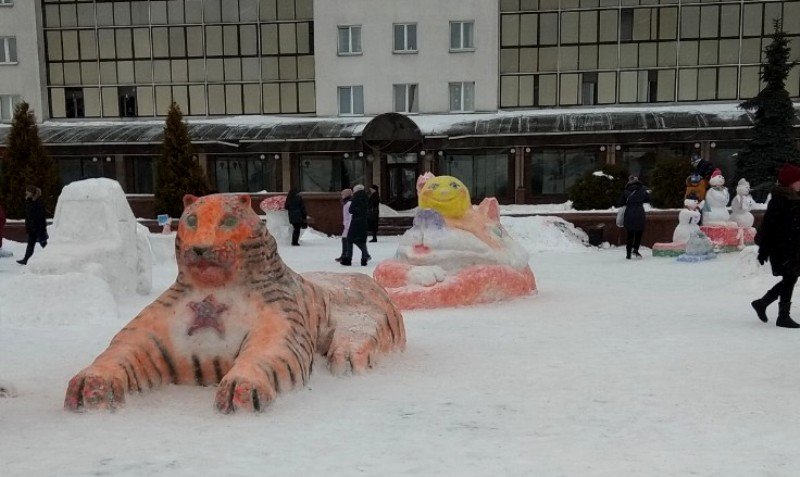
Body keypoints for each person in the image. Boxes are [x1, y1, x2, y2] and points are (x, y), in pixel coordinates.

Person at [751, 163, 800, 328]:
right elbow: (768, 227)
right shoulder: (779, 200)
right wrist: (763, 250)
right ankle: (782, 316)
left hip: (793, 247)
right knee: (790, 277)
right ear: (789, 183)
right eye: (798, 181)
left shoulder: (796, 197)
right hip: (782, 248)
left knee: (790, 277)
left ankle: (763, 303)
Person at [617, 176, 650, 260]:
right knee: (639, 232)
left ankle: (628, 254)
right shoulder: (642, 190)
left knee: (630, 234)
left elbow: (620, 203)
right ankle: (635, 249)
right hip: (639, 213)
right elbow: (648, 199)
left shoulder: (626, 191)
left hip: (629, 213)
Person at [17, 186, 48, 265]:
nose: (26, 193)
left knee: (44, 244)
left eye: (28, 191)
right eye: (26, 191)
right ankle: (26, 259)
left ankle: (53, 256)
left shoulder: (38, 202)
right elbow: (29, 216)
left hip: (38, 228)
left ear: (32, 193)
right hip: (31, 228)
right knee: (30, 245)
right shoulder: (28, 201)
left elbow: (41, 217)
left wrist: (42, 229)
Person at [348, 184, 371, 266]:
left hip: (356, 222)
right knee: (361, 240)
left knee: (350, 239)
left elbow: (351, 210)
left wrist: (356, 210)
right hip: (363, 222)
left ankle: (348, 259)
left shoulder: (356, 198)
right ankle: (364, 258)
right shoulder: (366, 198)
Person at [337, 188, 353, 264]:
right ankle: (344, 255)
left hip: (348, 225)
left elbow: (350, 215)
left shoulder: (349, 203)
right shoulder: (346, 203)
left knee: (346, 240)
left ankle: (345, 256)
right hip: (347, 225)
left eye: (343, 194)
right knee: (344, 240)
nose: (342, 196)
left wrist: (348, 225)